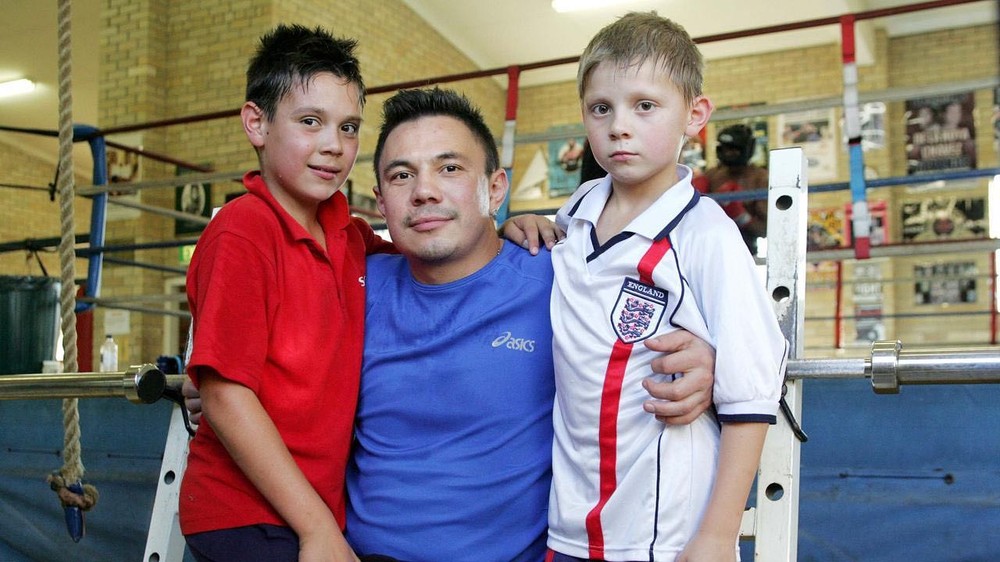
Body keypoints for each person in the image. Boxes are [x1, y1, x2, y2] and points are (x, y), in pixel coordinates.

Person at [184, 86, 719, 561]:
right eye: (402, 175)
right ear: (380, 203)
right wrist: (202, 381)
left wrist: (703, 364)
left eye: (450, 168)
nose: (424, 192)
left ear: (495, 189)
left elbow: (650, 338)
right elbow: (255, 354)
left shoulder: (562, 278)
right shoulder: (353, 282)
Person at [547, 12, 786, 562]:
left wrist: (717, 535)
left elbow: (750, 393)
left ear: (694, 115)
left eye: (645, 106)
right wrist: (521, 228)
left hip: (664, 530)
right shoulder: (578, 209)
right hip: (570, 521)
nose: (619, 126)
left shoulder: (707, 234)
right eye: (601, 108)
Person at [179, 24, 393, 562]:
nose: (334, 146)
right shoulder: (242, 230)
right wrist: (317, 529)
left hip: (311, 511)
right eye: (310, 121)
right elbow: (225, 395)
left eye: (348, 127)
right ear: (257, 123)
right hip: (245, 514)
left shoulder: (350, 236)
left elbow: (432, 254)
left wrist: (503, 234)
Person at [692, 123, 768, 255]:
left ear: (746, 149)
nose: (729, 154)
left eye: (734, 149)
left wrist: (742, 217)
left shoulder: (760, 178)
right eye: (726, 149)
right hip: (711, 250)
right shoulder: (711, 176)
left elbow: (766, 230)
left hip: (746, 250)